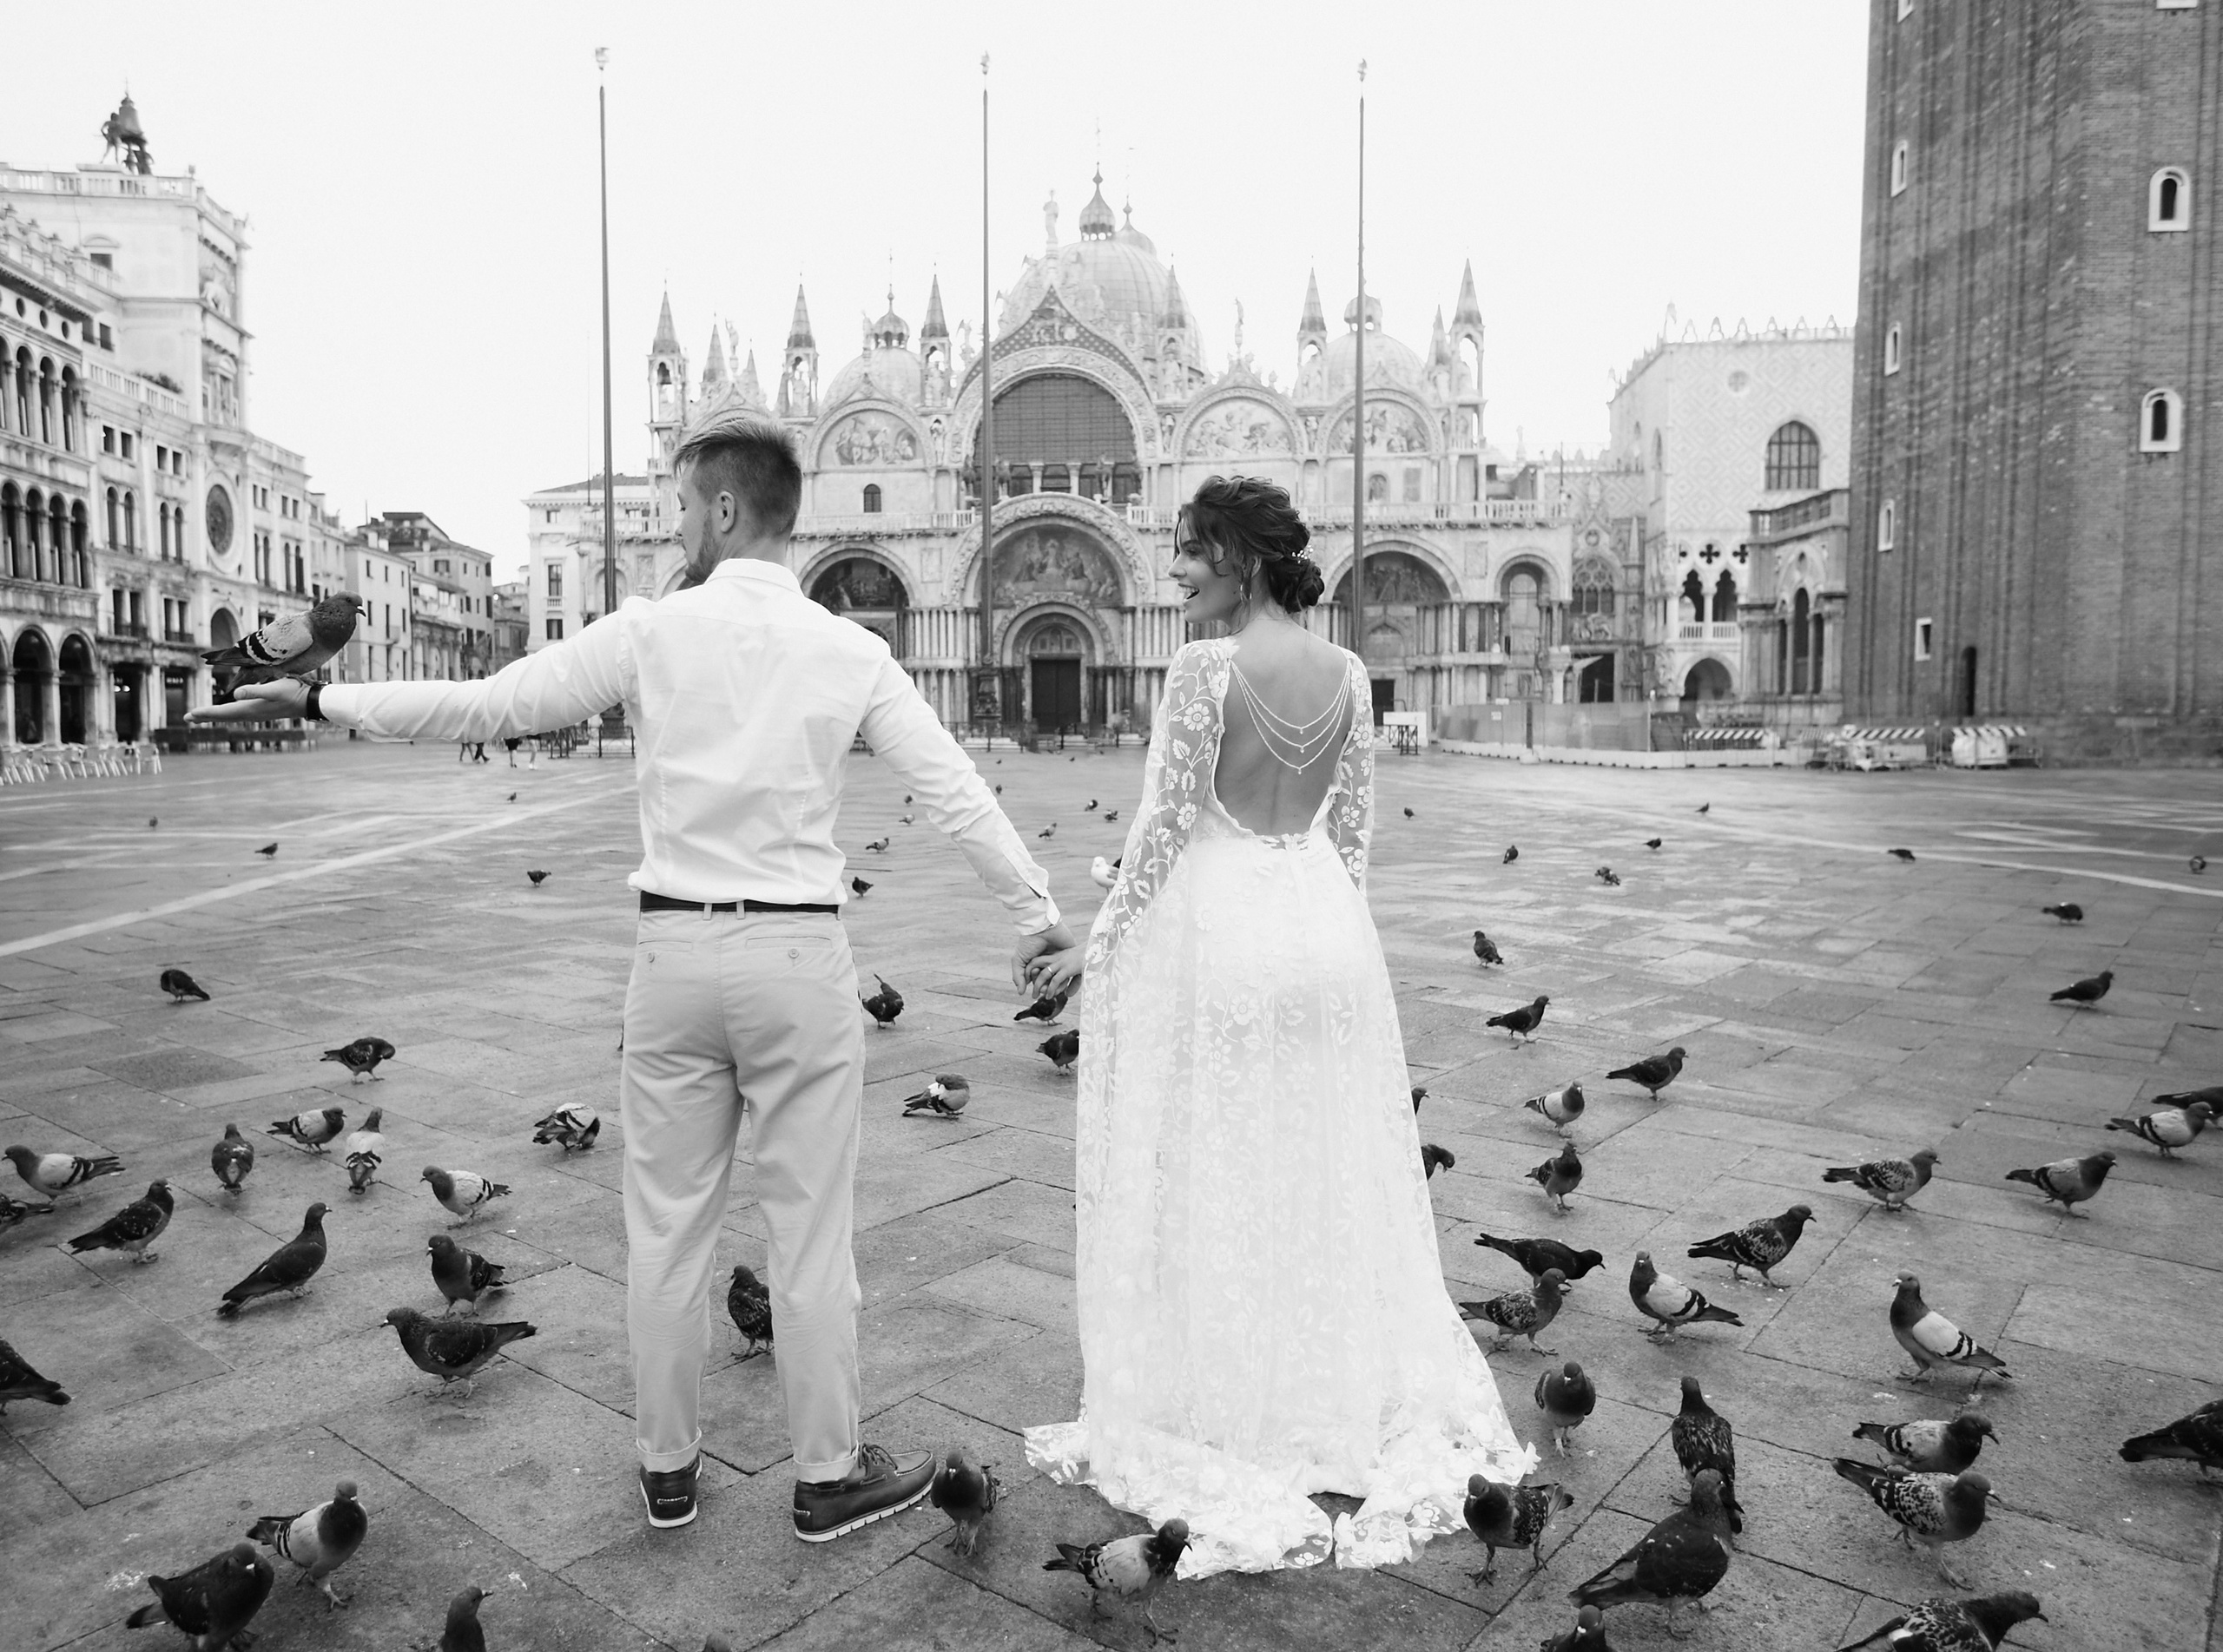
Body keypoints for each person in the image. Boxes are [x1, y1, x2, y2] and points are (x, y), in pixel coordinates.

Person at [192, 410, 1075, 1539]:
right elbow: (955, 789)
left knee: (666, 1230)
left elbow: (493, 703)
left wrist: (322, 697)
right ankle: (825, 1473)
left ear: (722, 507)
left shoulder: (653, 632)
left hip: (675, 959)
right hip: (801, 962)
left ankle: (668, 1468)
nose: (672, 528)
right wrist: (1036, 913)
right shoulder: (850, 650)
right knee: (810, 1238)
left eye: (677, 506)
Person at [1020, 475, 1533, 1577]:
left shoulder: (1205, 670)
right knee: (1316, 1155)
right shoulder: (1347, 673)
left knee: (1220, 1157)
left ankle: (1233, 1389)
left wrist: (1091, 952)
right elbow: (1350, 841)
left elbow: (1160, 834)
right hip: (1325, 935)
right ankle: (1323, 1372)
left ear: (1243, 560)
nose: (1179, 574)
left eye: (1194, 554)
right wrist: (1328, 936)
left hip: (1230, 940)